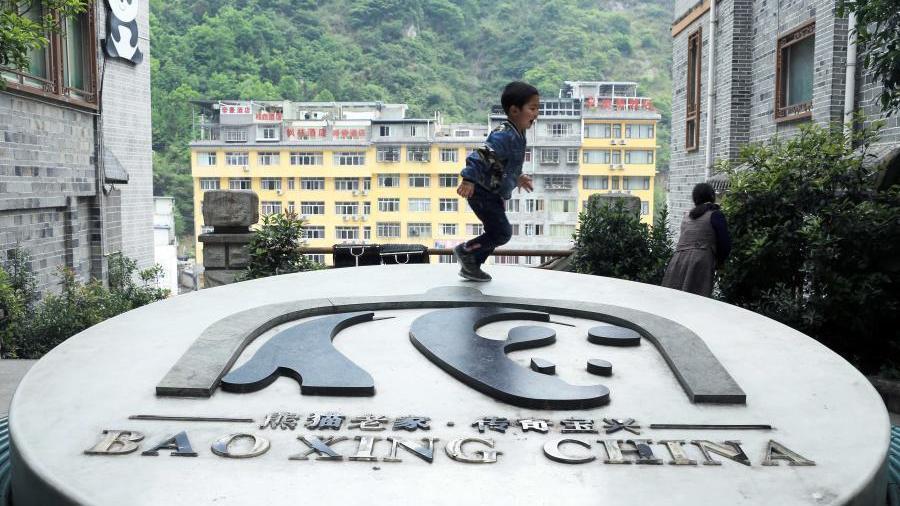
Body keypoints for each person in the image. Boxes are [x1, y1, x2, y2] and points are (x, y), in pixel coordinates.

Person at [453, 82, 538, 281]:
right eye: (533, 108)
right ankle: (465, 251)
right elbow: (483, 154)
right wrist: (468, 179)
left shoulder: (518, 134)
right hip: (481, 191)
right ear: (514, 110)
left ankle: (471, 266)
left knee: (495, 233)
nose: (536, 114)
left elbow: (504, 163)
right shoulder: (504, 134)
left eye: (537, 109)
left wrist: (517, 177)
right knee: (501, 233)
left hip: (492, 192)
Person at [662, 182, 732, 297]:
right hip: (700, 261)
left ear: (695, 199)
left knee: (673, 299)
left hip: (677, 261)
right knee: (696, 301)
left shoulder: (686, 216)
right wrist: (720, 263)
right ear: (712, 197)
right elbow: (725, 245)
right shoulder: (715, 215)